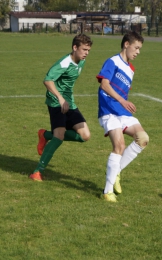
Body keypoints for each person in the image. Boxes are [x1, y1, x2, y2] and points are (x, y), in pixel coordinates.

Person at [29, 34, 93, 181]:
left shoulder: (81, 61)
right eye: (84, 49)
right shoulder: (64, 63)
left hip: (69, 103)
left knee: (85, 136)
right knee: (59, 137)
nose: (86, 53)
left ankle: (45, 135)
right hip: (56, 102)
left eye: (88, 50)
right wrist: (60, 97)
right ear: (74, 47)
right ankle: (37, 172)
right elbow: (47, 80)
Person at [96, 31, 149, 202]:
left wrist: (123, 103)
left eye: (140, 49)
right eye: (136, 48)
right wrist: (121, 100)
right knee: (119, 146)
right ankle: (107, 191)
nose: (138, 52)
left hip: (122, 111)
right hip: (108, 110)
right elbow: (104, 84)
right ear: (126, 44)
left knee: (143, 138)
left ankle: (116, 171)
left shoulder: (131, 69)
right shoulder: (113, 62)